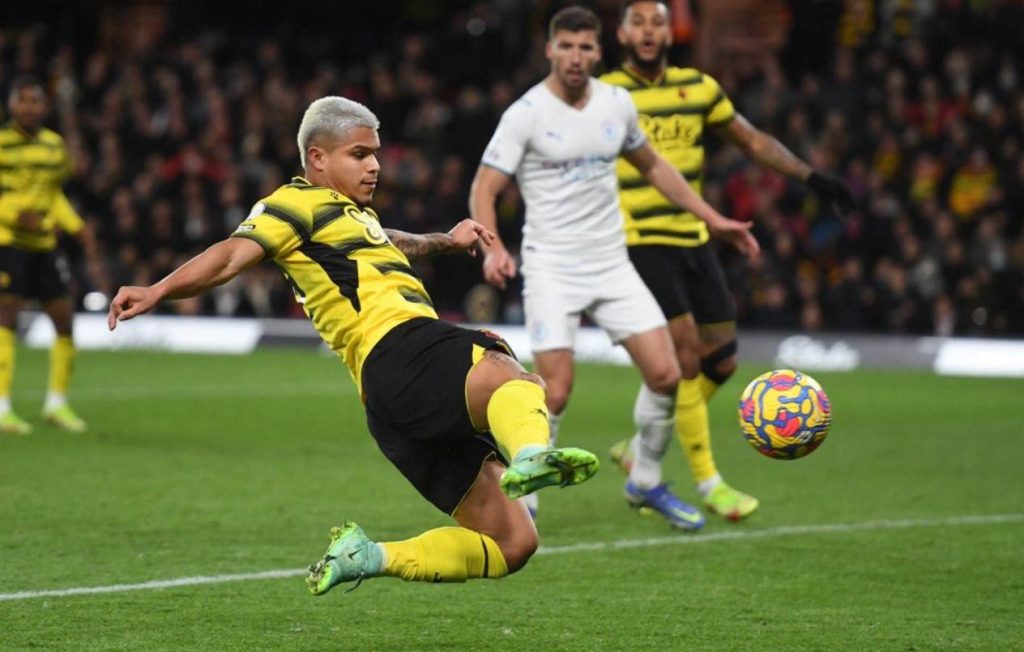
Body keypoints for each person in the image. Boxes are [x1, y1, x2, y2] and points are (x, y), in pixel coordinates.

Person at [107, 96, 600, 595]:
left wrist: (446, 241)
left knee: (513, 541)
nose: (376, 166)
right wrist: (158, 289)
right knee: (501, 365)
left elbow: (389, 239)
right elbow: (232, 255)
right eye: (360, 154)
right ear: (318, 158)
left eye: (376, 154)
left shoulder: (346, 216)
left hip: (388, 404)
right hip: (399, 348)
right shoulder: (292, 204)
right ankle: (534, 453)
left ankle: (368, 555)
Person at [469, 6, 758, 529]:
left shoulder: (616, 104)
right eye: (567, 47)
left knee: (668, 374)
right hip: (552, 267)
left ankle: (645, 479)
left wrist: (713, 219)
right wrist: (492, 248)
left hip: (611, 263)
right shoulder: (526, 113)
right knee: (554, 389)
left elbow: (656, 169)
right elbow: (485, 187)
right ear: (550, 51)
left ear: (599, 52)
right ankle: (524, 503)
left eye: (585, 48)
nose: (576, 57)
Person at [600, 0, 857, 521]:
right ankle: (709, 483)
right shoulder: (603, 95)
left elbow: (753, 140)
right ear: (623, 34)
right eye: (638, 22)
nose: (649, 31)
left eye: (657, 21)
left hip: (694, 237)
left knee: (722, 361)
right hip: (637, 238)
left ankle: (639, 445)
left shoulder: (698, 87)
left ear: (671, 32)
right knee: (686, 358)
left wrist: (811, 177)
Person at [0, 76, 95, 434]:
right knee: (6, 316)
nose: (29, 107)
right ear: (12, 105)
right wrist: (11, 215)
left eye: (35, 101)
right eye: (22, 100)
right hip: (7, 240)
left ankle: (57, 404)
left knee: (63, 319)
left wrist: (75, 225)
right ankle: (2, 407)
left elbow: (54, 195)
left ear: (44, 107)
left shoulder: (54, 147)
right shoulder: (2, 144)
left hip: (43, 244)